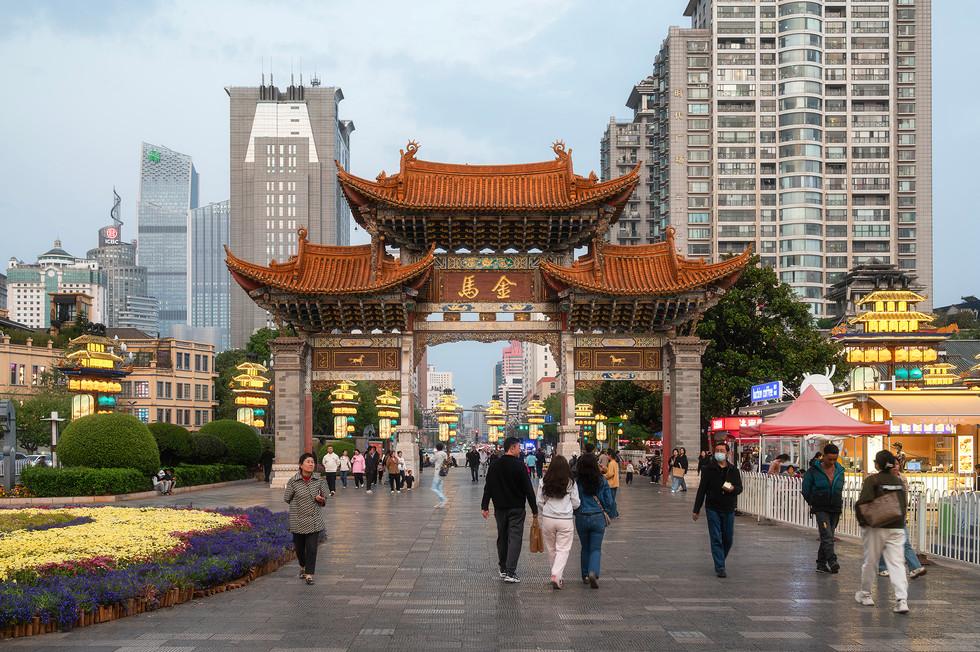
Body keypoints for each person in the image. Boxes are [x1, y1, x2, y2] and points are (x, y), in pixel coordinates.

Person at [854, 450, 910, 614]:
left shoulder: (873, 480)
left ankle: (866, 595)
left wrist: (862, 521)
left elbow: (863, 502)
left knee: (871, 561)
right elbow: (903, 504)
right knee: (896, 563)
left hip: (876, 527)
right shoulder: (898, 481)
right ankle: (901, 600)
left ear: (877, 464)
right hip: (897, 527)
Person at [481, 436, 539, 583]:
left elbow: (488, 487)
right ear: (511, 448)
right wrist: (534, 508)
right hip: (516, 508)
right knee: (515, 538)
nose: (520, 451)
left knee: (502, 537)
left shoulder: (494, 465)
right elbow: (528, 488)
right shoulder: (519, 465)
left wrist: (485, 506)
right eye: (519, 447)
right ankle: (511, 572)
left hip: (499, 508)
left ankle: (503, 568)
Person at [692, 442, 743, 578]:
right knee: (715, 538)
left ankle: (720, 558)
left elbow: (739, 488)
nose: (719, 452)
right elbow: (701, 490)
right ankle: (720, 566)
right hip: (712, 508)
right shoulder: (708, 469)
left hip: (728, 508)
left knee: (728, 539)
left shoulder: (733, 470)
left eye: (722, 450)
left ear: (727, 453)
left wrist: (733, 489)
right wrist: (696, 509)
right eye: (717, 450)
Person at [573, 444, 618, 588]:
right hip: (598, 517)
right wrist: (604, 508)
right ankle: (593, 571)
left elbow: (574, 501)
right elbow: (609, 502)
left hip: (581, 517)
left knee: (585, 547)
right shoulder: (602, 481)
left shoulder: (577, 482)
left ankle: (585, 575)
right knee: (596, 548)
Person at [536, 454, 580, 589]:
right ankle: (556, 574)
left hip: (548, 519)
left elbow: (539, 501)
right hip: (565, 519)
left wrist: (547, 509)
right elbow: (576, 502)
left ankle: (557, 575)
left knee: (551, 549)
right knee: (563, 549)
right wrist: (568, 508)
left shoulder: (544, 481)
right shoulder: (570, 482)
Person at [877, 463, 927, 580]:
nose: (895, 466)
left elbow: (904, 499)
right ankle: (882, 567)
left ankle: (915, 567)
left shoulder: (903, 479)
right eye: (892, 464)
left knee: (905, 543)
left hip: (899, 516)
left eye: (897, 464)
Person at [801, 443, 845, 574]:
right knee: (826, 535)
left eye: (834, 459)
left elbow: (840, 488)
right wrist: (814, 502)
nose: (832, 462)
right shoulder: (813, 471)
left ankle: (820, 564)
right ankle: (832, 560)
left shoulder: (840, 470)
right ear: (823, 456)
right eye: (829, 459)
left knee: (828, 536)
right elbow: (805, 490)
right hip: (820, 507)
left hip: (835, 507)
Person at [283, 452, 326, 585]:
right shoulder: (293, 481)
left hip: (314, 520)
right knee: (300, 548)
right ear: (301, 465)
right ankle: (302, 566)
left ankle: (309, 574)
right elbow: (286, 498)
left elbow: (325, 498)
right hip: (298, 520)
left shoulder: (319, 481)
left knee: (312, 548)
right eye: (308, 462)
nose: (311, 464)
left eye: (312, 462)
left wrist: (321, 500)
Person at [431, 443, 449, 508]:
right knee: (439, 489)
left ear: (436, 448)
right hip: (443, 472)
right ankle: (441, 503)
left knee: (433, 488)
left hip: (438, 473)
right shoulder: (445, 454)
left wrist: (433, 455)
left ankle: (443, 498)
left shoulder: (437, 454)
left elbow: (431, 460)